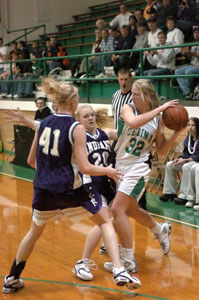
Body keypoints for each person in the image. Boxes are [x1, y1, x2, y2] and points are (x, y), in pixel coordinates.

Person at [3, 78, 141, 293]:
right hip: (69, 189)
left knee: (33, 233)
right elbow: (85, 168)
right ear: (74, 101)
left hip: (43, 189)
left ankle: (12, 277)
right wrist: (107, 170)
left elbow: (31, 162)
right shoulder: (75, 127)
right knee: (105, 220)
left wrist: (49, 172)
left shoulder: (44, 122)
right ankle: (119, 270)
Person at [103, 79, 185, 274]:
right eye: (132, 93)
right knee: (131, 210)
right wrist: (159, 109)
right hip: (121, 166)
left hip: (138, 168)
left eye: (137, 94)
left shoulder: (157, 121)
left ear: (147, 96)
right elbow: (132, 122)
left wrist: (175, 134)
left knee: (116, 209)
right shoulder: (127, 108)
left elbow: (162, 151)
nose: (133, 97)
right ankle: (159, 230)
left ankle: (128, 259)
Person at [160, 117, 199, 205]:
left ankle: (184, 196)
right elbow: (186, 153)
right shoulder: (187, 139)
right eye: (188, 125)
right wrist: (180, 158)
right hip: (188, 160)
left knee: (186, 166)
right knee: (170, 164)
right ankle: (169, 193)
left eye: (193, 125)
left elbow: (197, 156)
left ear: (198, 127)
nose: (190, 127)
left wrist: (185, 160)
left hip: (196, 162)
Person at [175, 26, 199, 100]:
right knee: (178, 71)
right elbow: (191, 59)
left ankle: (192, 90)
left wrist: (190, 52)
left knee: (188, 72)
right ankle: (188, 93)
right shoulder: (194, 44)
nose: (196, 34)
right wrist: (187, 54)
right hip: (193, 65)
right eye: (195, 33)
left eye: (198, 33)